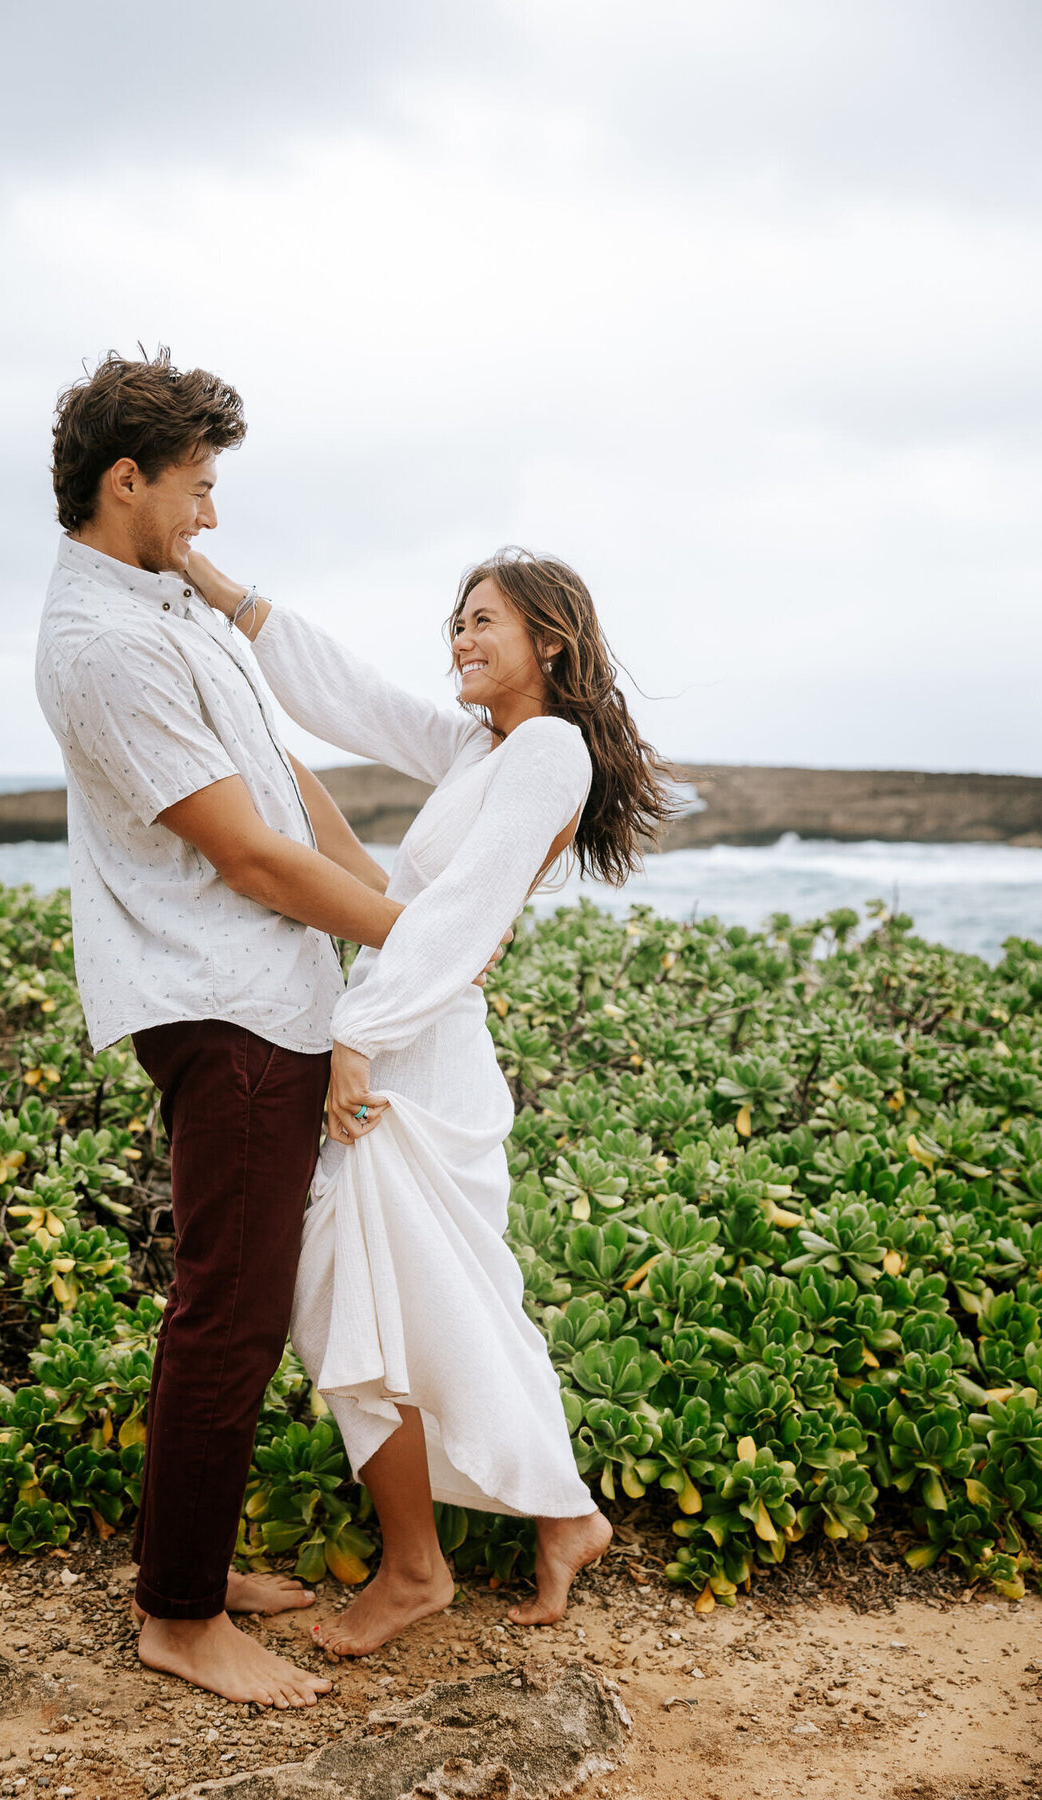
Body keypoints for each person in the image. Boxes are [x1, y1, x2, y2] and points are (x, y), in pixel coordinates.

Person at [36, 347, 465, 1707]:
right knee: (229, 1309)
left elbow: (289, 791)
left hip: (275, 995)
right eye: (198, 486)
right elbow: (253, 862)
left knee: (239, 1301)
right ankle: (177, 1616)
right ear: (127, 480)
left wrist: (389, 908)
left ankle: (192, 1564)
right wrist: (429, 943)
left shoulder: (170, 604)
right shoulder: (99, 645)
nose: (213, 515)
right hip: (218, 1006)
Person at [187, 544, 673, 1655]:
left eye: (484, 621)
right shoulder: (481, 748)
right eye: (454, 621)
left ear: (550, 640)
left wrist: (357, 1033)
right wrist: (227, 599)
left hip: (414, 1048)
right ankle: (561, 1514)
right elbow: (353, 697)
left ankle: (418, 1569)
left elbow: (465, 916)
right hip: (403, 1037)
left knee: (374, 1301)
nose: (460, 638)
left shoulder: (548, 749)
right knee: (410, 1302)